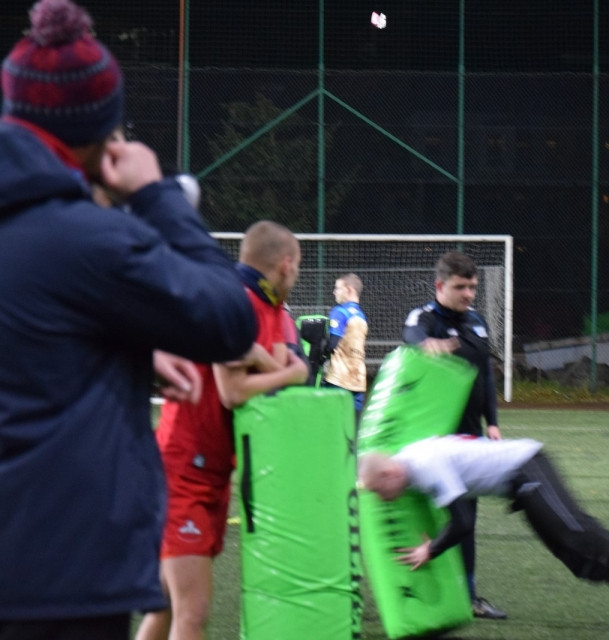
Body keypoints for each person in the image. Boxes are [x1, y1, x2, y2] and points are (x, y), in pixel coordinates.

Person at [0, 0, 258, 637]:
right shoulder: (87, 239)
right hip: (56, 574)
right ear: (101, 133)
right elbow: (228, 319)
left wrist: (126, 355)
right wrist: (157, 199)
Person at [135, 221, 308, 640]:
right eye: (299, 265)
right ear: (285, 264)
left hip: (210, 470)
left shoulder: (268, 304)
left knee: (164, 608)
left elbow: (285, 362)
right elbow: (233, 392)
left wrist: (273, 365)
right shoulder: (238, 301)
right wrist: (285, 373)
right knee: (192, 613)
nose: (298, 273)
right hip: (184, 469)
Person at [358, 436, 609, 640]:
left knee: (579, 534)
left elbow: (462, 522)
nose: (383, 498)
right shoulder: (407, 465)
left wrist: (430, 549)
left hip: (527, 466)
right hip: (517, 485)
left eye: (379, 490)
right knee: (579, 562)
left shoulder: (423, 465)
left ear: (389, 473)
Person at [402, 251, 505, 619]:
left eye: (472, 287)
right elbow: (411, 333)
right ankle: (412, 591)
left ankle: (470, 596)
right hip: (431, 439)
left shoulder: (477, 322)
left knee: (467, 520)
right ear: (440, 285)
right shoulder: (424, 318)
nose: (468, 294)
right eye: (461, 287)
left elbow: (487, 376)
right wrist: (424, 344)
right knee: (436, 516)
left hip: (470, 436)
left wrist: (492, 422)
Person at [322, 273, 369, 421]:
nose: (334, 292)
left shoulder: (339, 312)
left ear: (349, 290)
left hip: (338, 379)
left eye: (338, 288)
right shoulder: (361, 316)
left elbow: (332, 344)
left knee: (330, 426)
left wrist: (321, 354)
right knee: (352, 430)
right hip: (358, 381)